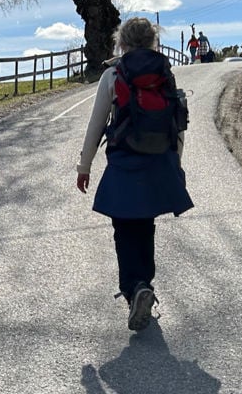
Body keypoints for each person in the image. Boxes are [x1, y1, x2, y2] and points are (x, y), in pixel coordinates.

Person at [75, 17, 194, 331]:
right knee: (145, 224)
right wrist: (176, 164)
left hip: (125, 161)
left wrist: (84, 166)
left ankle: (135, 288)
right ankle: (144, 283)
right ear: (152, 41)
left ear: (122, 43)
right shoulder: (164, 73)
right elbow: (176, 122)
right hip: (159, 159)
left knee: (124, 227)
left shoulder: (114, 74)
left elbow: (96, 124)